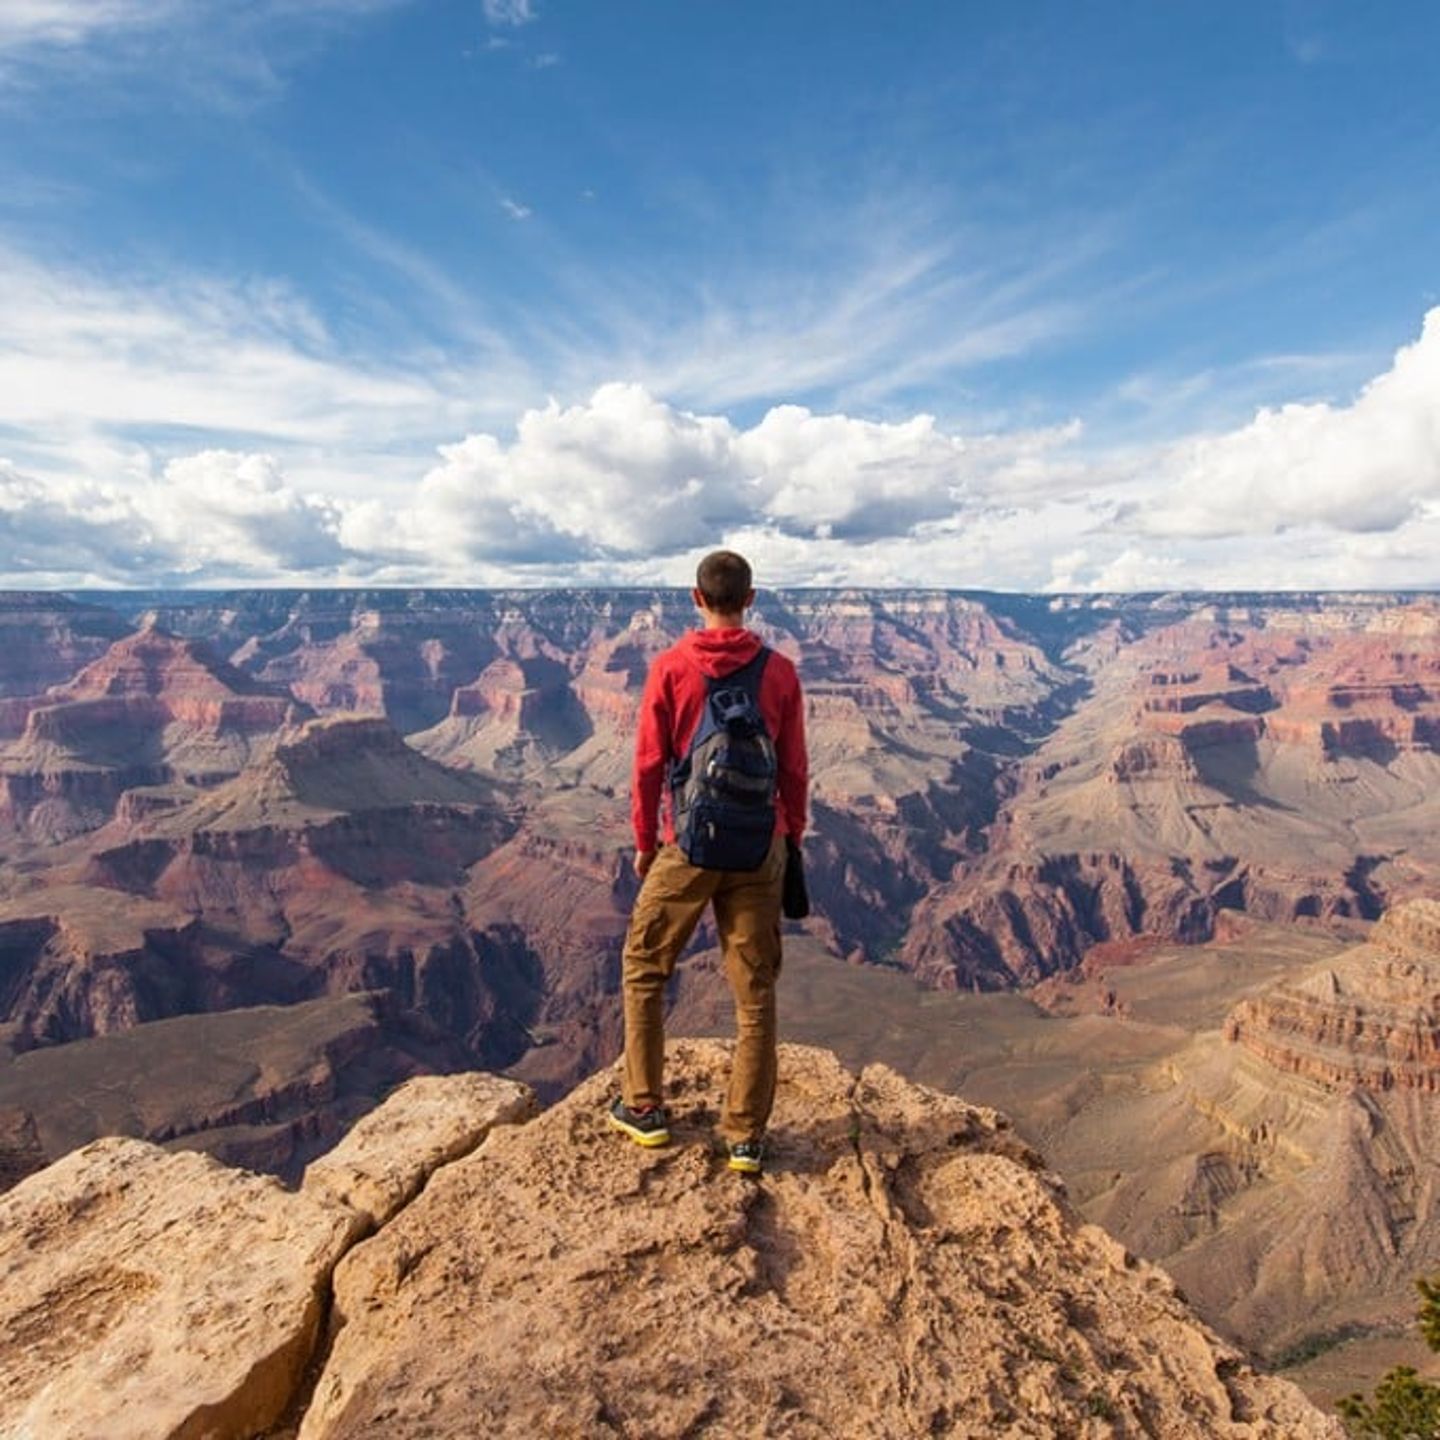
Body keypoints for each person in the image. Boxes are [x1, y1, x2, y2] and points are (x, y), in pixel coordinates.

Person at [608, 549, 808, 1175]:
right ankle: (744, 1136)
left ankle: (644, 1107)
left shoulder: (670, 667)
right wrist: (789, 837)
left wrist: (646, 841)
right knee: (755, 995)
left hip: (688, 846)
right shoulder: (780, 673)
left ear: (695, 598)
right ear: (751, 598)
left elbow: (646, 765)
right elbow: (796, 769)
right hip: (759, 847)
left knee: (644, 965)